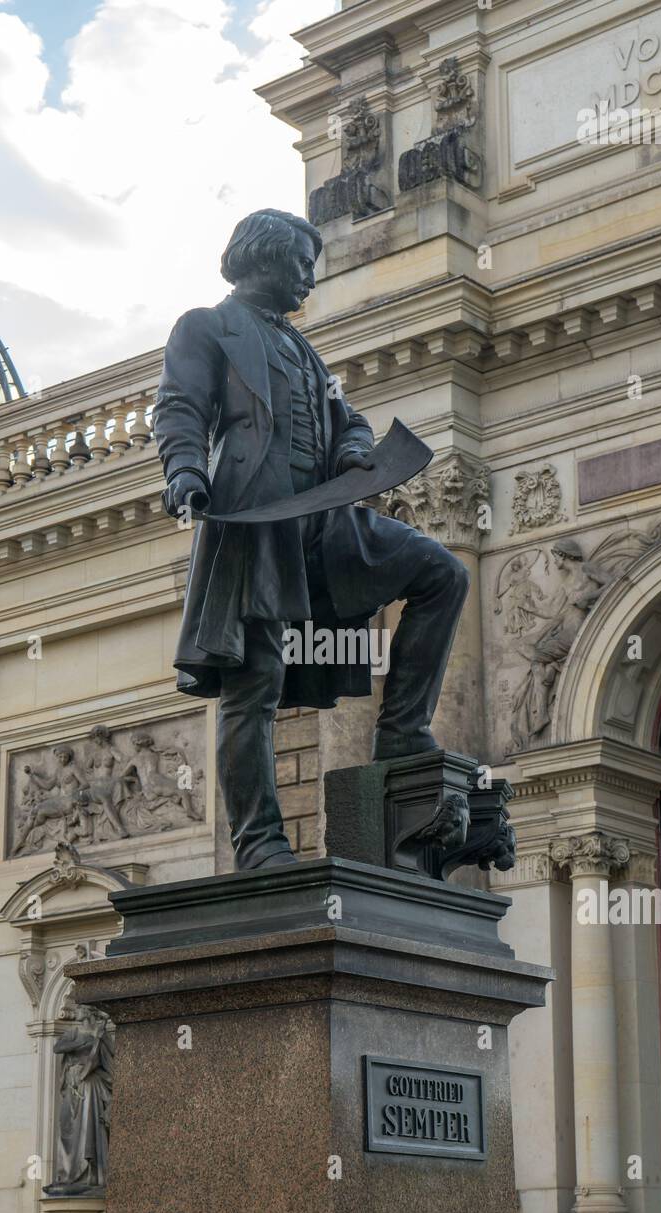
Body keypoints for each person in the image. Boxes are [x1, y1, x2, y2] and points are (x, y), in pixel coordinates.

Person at [153, 208, 469, 870]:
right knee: (254, 681)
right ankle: (261, 843)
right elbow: (180, 407)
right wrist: (184, 473)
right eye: (302, 262)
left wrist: (357, 454)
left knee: (442, 573)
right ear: (262, 257)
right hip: (255, 521)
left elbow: (347, 420)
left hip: (325, 518)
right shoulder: (207, 327)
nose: (309, 276)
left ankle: (401, 733)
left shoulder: (304, 348)